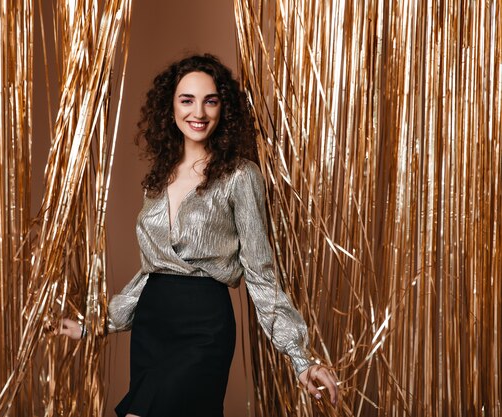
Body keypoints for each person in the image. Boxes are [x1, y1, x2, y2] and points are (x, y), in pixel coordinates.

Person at [58, 54, 339, 416]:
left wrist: (302, 358)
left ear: (224, 108)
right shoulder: (157, 180)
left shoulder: (240, 176)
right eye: (187, 100)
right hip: (152, 326)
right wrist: (95, 324)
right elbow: (150, 274)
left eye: (211, 100)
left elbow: (261, 275)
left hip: (204, 326)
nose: (199, 112)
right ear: (169, 107)